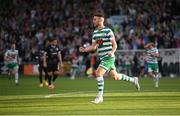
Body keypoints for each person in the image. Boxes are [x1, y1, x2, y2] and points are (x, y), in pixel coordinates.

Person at [79, 11, 140, 104]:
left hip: (109, 57)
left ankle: (100, 97)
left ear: (101, 20)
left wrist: (112, 52)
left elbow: (115, 44)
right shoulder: (95, 33)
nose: (93, 21)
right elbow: (93, 47)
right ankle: (133, 80)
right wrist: (85, 49)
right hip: (103, 58)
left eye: (95, 19)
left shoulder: (108, 31)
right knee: (115, 76)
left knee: (98, 73)